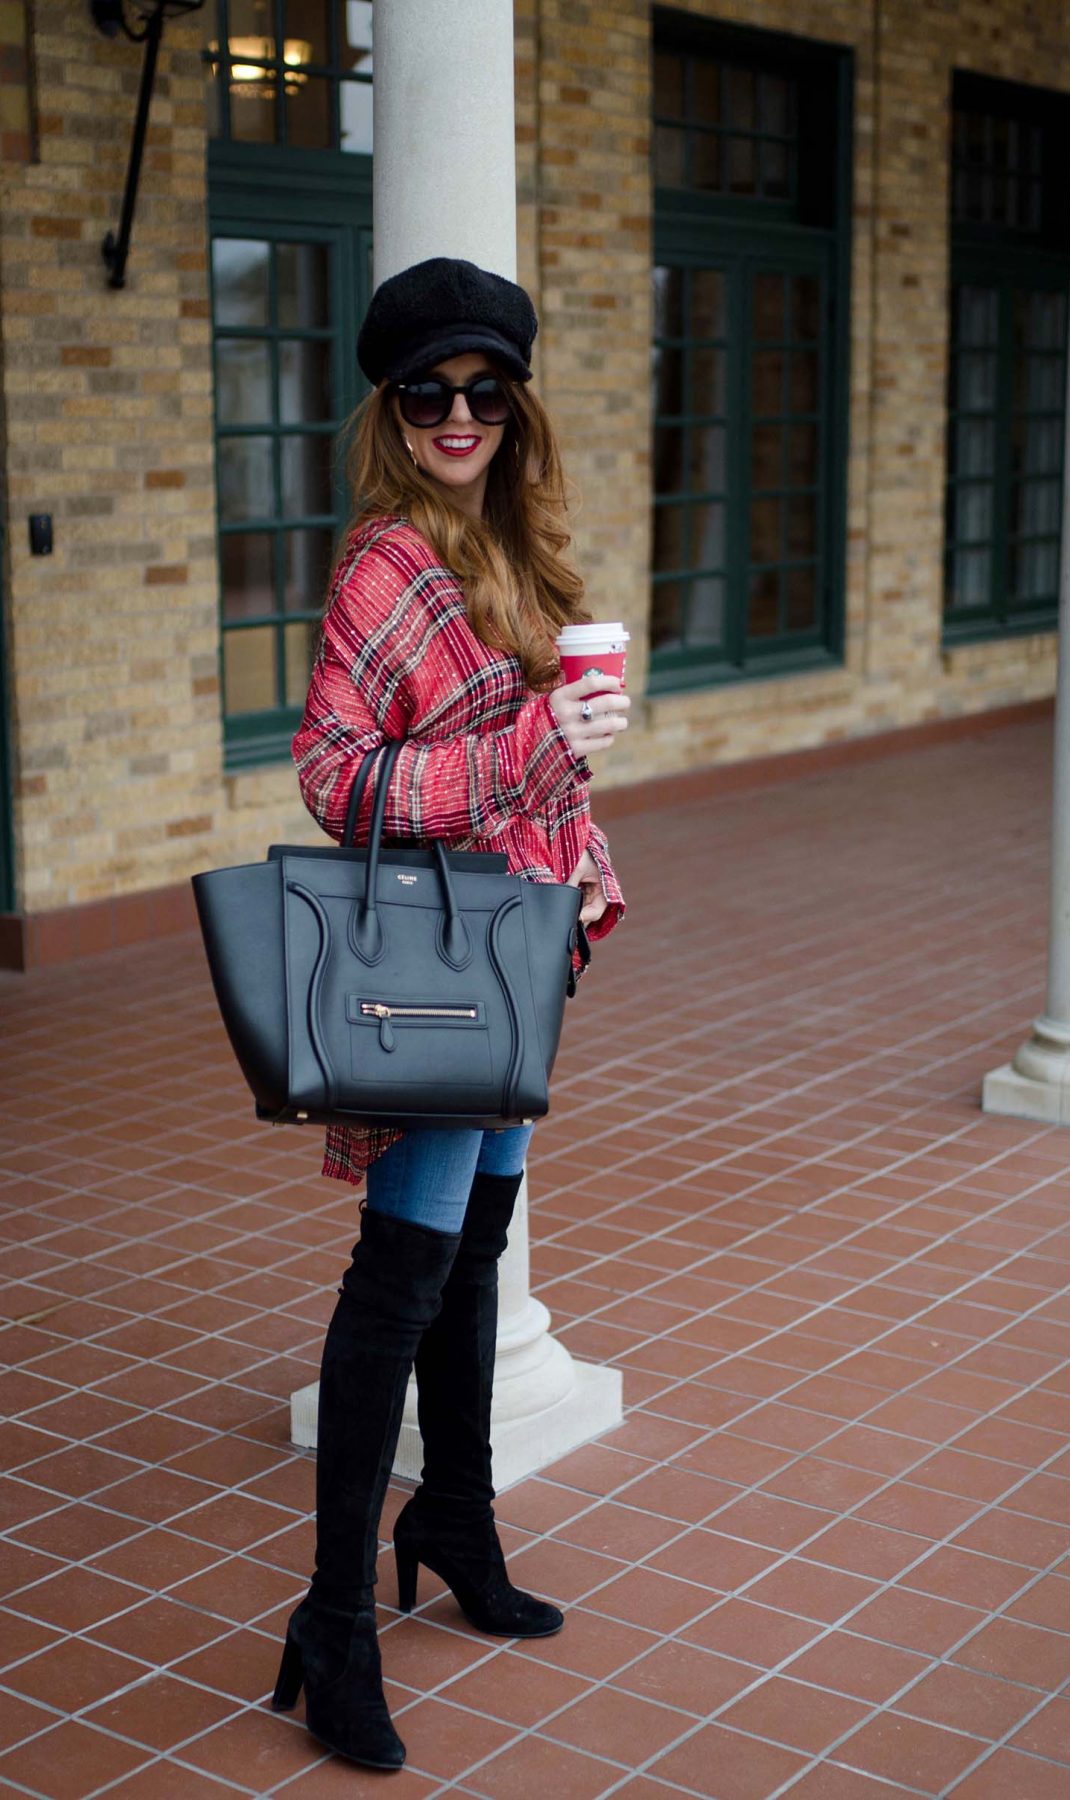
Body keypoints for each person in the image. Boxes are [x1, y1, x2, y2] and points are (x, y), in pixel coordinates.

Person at [274, 257, 628, 1770]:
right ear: (391, 405)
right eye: (432, 391)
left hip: (510, 956)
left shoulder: (508, 547)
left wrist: (575, 742)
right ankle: (330, 1624)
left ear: (517, 403)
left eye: (488, 389)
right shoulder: (384, 565)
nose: (462, 415)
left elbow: (530, 758)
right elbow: (336, 777)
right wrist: (529, 749)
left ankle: (458, 1520)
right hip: (430, 971)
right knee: (399, 1285)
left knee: (476, 1256)